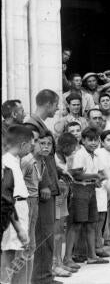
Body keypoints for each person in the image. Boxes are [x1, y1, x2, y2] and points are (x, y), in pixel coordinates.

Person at [24, 89, 61, 284]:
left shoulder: (38, 124)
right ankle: (41, 278)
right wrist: (44, 184)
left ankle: (44, 275)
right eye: (56, 105)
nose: (57, 109)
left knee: (47, 232)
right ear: (48, 104)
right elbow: (35, 157)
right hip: (42, 189)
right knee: (43, 233)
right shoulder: (32, 126)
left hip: (49, 185)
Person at [64, 127, 108, 266]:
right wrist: (95, 176)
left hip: (90, 190)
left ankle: (92, 256)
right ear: (83, 140)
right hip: (79, 189)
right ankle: (67, 258)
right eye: (90, 140)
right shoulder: (80, 154)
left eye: (96, 140)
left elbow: (100, 173)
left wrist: (98, 180)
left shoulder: (96, 155)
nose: (94, 143)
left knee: (91, 224)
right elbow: (76, 174)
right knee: (75, 225)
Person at [0, 126, 32, 284]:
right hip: (13, 210)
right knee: (10, 252)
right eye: (30, 144)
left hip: (20, 206)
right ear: (23, 144)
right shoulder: (7, 163)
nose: (31, 147)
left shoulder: (15, 161)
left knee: (21, 252)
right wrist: (18, 227)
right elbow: (6, 197)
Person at [53, 133, 79, 275]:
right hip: (57, 197)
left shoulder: (64, 157)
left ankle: (59, 262)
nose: (74, 151)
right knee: (56, 233)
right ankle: (54, 264)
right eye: (73, 148)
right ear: (66, 146)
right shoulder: (54, 157)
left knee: (60, 232)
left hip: (64, 196)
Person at [93, 130, 110, 258]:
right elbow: (98, 172)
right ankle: (96, 247)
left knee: (103, 217)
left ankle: (99, 245)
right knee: (97, 218)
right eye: (108, 140)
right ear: (102, 142)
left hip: (106, 189)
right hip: (97, 188)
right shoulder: (98, 153)